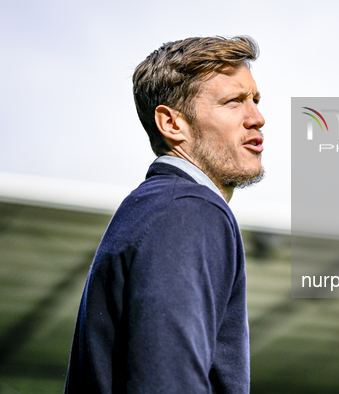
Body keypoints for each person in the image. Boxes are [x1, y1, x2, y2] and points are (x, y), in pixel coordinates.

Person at [65, 36, 265, 393]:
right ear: (172, 124)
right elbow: (167, 380)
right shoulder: (188, 209)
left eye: (255, 100)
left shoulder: (158, 206)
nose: (257, 119)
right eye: (233, 102)